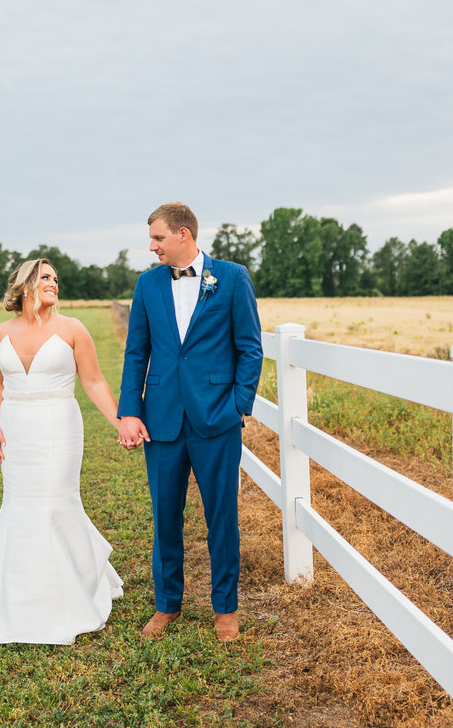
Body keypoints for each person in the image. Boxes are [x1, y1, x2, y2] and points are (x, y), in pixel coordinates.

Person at [117, 202, 263, 642]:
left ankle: (225, 609)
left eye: (158, 238)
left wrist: (238, 405)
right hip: (161, 420)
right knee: (165, 517)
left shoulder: (232, 278)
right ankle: (168, 605)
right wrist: (130, 411)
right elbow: (136, 353)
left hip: (216, 418)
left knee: (222, 516)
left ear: (184, 234)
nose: (152, 246)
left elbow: (250, 348)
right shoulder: (147, 285)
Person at [0, 257, 125, 645]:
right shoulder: (0, 332)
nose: (54, 282)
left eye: (56, 278)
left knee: (54, 504)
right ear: (25, 284)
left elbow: (92, 381)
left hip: (59, 428)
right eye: (45, 277)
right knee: (19, 506)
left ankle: (67, 597)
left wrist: (121, 422)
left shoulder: (72, 329)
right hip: (16, 433)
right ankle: (17, 602)